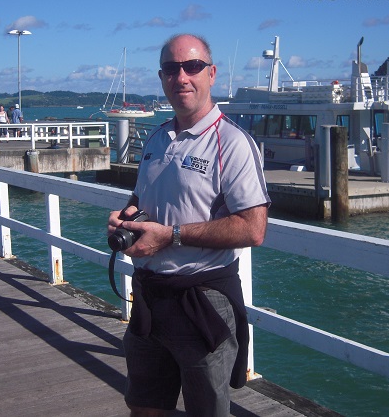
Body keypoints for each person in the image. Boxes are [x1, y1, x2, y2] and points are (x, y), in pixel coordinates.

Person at [107, 34, 270, 417]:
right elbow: (140, 199)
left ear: (211, 74)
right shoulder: (156, 138)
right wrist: (125, 217)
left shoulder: (232, 143)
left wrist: (172, 236)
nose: (181, 77)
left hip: (203, 300)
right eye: (171, 69)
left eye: (192, 67)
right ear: (161, 77)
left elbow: (253, 228)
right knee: (144, 407)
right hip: (149, 298)